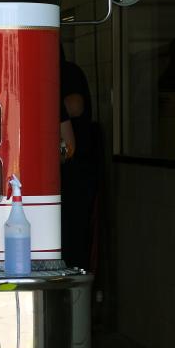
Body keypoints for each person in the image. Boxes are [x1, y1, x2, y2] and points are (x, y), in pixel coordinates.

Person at [60, 47, 96, 271]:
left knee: (74, 234)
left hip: (76, 170)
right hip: (72, 167)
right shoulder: (67, 72)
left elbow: (76, 106)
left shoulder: (65, 72)